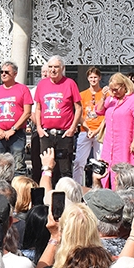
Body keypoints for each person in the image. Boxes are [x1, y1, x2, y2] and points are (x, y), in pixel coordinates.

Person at [33, 56, 82, 185]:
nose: (53, 70)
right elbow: (38, 108)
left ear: (62, 68)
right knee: (46, 168)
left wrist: (72, 128)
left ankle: (66, 194)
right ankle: (47, 193)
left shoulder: (70, 83)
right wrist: (39, 128)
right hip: (46, 134)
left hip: (64, 134)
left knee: (64, 169)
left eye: (56, 67)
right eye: (50, 67)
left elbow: (78, 108)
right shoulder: (42, 84)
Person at [96, 73, 134, 188]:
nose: (114, 92)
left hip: (126, 142)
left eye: (116, 89)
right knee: (107, 169)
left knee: (125, 169)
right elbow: (99, 111)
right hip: (110, 143)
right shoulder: (111, 99)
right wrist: (103, 97)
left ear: (124, 86)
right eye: (112, 90)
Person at [0, 61, 33, 176]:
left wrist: (13, 129)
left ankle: (17, 186)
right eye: (2, 72)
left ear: (15, 74)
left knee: (18, 165)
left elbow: (27, 112)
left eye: (7, 72)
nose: (3, 74)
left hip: (17, 134)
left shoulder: (23, 89)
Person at [77, 66, 105, 185]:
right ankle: (77, 185)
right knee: (79, 161)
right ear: (88, 78)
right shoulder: (82, 95)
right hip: (85, 130)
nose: (93, 80)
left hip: (100, 131)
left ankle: (100, 186)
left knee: (100, 162)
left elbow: (107, 116)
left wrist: (97, 130)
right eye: (91, 77)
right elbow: (79, 115)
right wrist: (88, 129)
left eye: (95, 77)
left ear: (99, 78)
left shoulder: (105, 94)